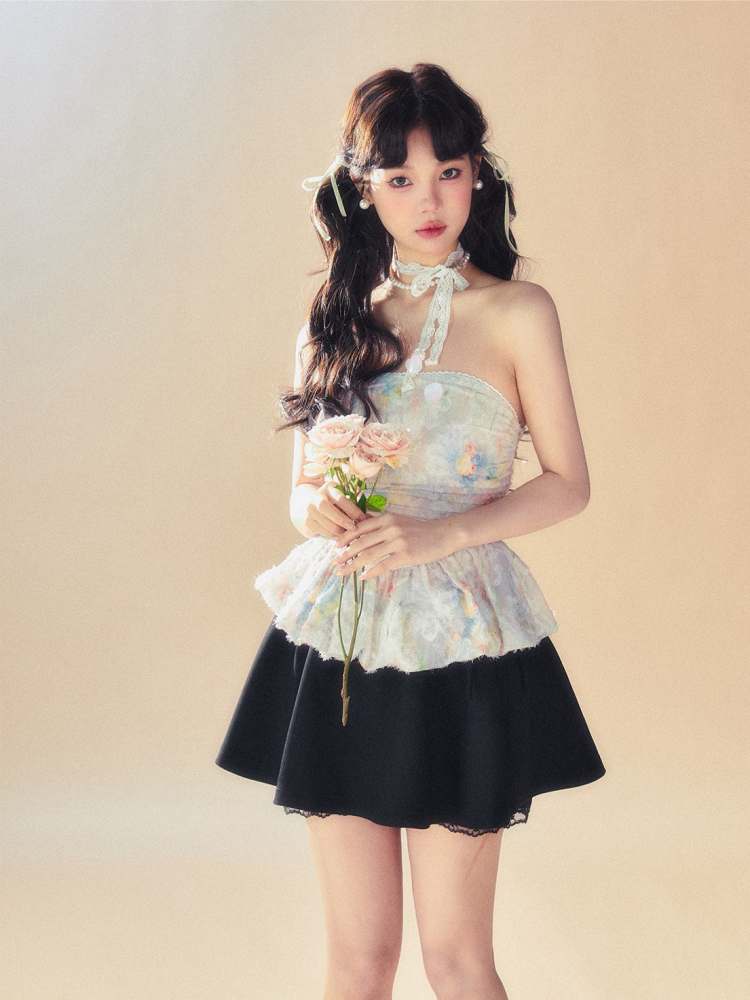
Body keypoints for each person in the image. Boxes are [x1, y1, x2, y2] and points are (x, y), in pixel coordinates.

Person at [216, 62, 606, 1000]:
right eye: (400, 178)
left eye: (449, 172)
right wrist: (317, 511)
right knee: (357, 961)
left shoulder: (517, 312)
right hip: (341, 640)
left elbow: (569, 485)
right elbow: (302, 493)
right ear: (365, 189)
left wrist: (441, 537)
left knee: (457, 961)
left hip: (463, 644)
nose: (429, 201)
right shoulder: (333, 319)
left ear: (478, 175)